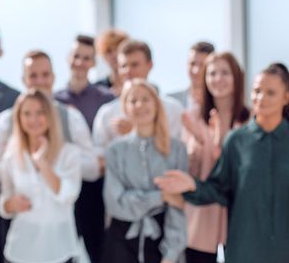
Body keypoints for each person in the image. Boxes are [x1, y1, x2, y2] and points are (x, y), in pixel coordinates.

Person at [155, 63, 289, 262]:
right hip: (245, 248)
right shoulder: (237, 140)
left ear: (286, 97)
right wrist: (192, 185)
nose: (261, 98)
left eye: (270, 93)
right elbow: (219, 189)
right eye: (257, 91)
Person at [0, 50, 100, 263]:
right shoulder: (6, 124)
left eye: (45, 75)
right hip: (21, 242)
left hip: (61, 240)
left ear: (53, 77)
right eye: (33, 76)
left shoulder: (71, 120)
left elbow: (91, 171)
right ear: (24, 80)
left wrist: (48, 162)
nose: (39, 82)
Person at [102, 79, 187, 263]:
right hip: (121, 243)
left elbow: (178, 208)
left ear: (156, 104)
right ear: (125, 107)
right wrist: (161, 197)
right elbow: (116, 203)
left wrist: (171, 254)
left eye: (145, 99)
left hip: (162, 241)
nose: (139, 105)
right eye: (133, 101)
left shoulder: (176, 150)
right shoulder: (115, 151)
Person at [0, 89, 81, 263]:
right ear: (19, 118)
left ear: (50, 115)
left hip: (60, 249)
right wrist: (11, 204)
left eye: (40, 112)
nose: (33, 119)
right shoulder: (11, 156)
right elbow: (3, 203)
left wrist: (41, 162)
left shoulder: (69, 154)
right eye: (27, 113)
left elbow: (68, 195)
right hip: (20, 249)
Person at [181, 52, 249, 263]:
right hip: (202, 213)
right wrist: (198, 144)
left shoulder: (250, 120)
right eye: (212, 73)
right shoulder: (193, 118)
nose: (218, 79)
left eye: (225, 73)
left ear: (237, 77)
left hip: (238, 214)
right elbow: (188, 170)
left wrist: (221, 142)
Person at [54, 35, 114, 262]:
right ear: (69, 58)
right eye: (76, 56)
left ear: (93, 63)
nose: (80, 62)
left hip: (94, 185)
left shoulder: (107, 99)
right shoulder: (54, 99)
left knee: (96, 246)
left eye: (86, 58)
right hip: (61, 180)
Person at [93, 39, 183, 149]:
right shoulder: (107, 113)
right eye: (123, 66)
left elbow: (174, 151)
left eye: (134, 65)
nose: (128, 71)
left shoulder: (172, 109)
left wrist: (135, 133)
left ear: (150, 65)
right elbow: (100, 155)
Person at [169, 41, 215, 110]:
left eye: (202, 65)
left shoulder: (220, 103)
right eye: (192, 63)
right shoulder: (170, 101)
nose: (196, 70)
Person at [94, 28, 129, 97]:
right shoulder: (97, 88)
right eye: (109, 51)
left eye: (117, 49)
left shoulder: (137, 84)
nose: (114, 55)